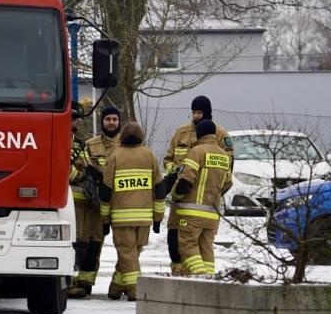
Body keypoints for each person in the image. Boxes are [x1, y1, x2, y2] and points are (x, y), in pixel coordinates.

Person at [161, 95, 233, 271]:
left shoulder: (221, 135)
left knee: (190, 246)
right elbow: (168, 159)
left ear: (207, 112)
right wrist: (173, 174)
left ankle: (197, 278)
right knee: (174, 243)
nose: (196, 116)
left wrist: (208, 194)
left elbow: (226, 172)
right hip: (181, 201)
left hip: (195, 203)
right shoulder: (181, 133)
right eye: (193, 113)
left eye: (199, 113)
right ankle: (185, 276)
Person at [98, 120, 164, 301]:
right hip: (144, 218)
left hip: (121, 218)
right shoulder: (149, 155)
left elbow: (105, 192)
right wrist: (158, 218)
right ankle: (115, 288)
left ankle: (135, 290)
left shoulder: (114, 156)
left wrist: (105, 220)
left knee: (127, 255)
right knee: (131, 256)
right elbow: (159, 189)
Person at [67, 104, 121, 298]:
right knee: (82, 241)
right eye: (108, 119)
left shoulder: (125, 145)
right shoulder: (88, 144)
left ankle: (86, 281)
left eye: (114, 119)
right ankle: (76, 281)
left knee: (97, 241)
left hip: (111, 202)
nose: (111, 122)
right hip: (84, 201)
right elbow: (75, 167)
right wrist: (87, 175)